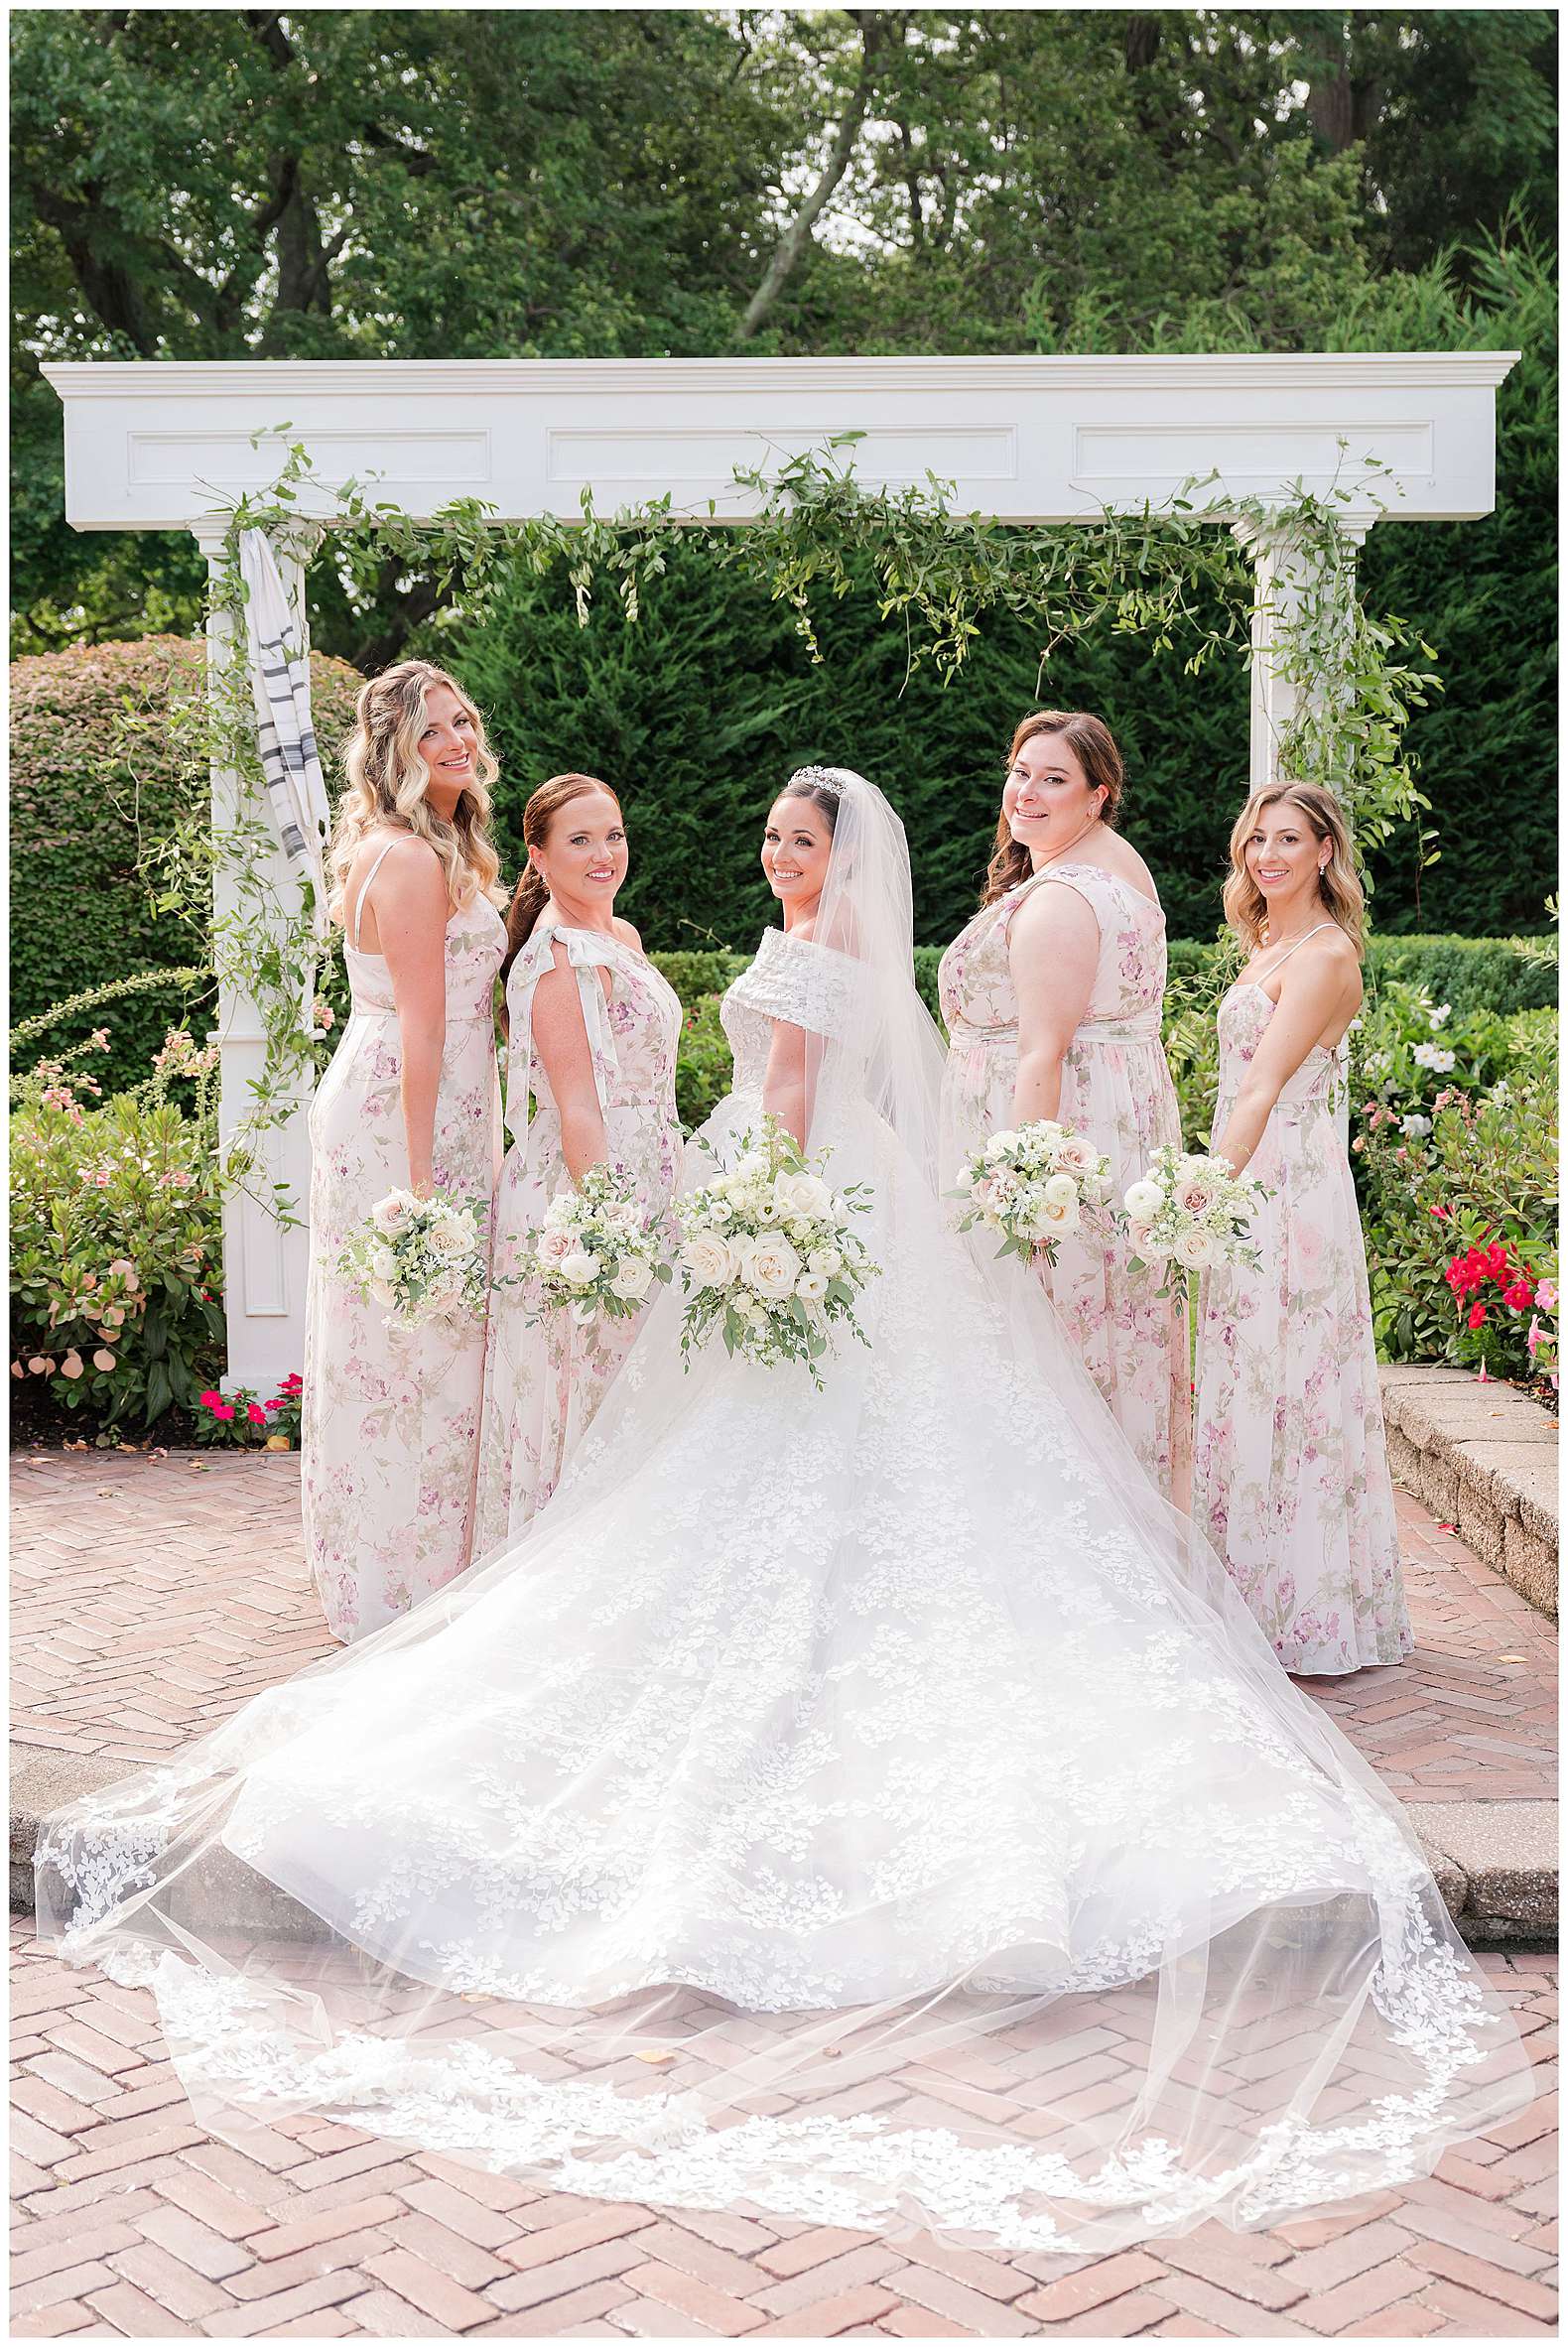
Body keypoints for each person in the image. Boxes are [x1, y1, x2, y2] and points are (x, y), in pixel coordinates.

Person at [38, 767, 1524, 2256]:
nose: (776, 855)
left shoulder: (812, 957)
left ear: (837, 863)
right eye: (768, 837)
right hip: (807, 1197)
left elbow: (799, 1100)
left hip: (798, 1198)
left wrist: (754, 1204)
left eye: (799, 841)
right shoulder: (796, 941)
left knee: (785, 1461)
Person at [303, 661, 505, 1642]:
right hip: (408, 1111)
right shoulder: (415, 861)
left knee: (395, 1339)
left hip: (398, 1090)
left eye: (462, 721)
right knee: (413, 1334)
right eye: (432, 732)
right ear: (393, 752)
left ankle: (394, 1561)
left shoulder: (411, 844)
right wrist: (424, 1185)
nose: (457, 741)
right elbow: (426, 1027)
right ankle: (411, 1575)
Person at [940, 711, 1191, 1501]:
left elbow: (1042, 1054)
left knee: (1042, 1342)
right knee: (1103, 1341)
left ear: (1097, 795)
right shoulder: (1122, 873)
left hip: (1051, 1153)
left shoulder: (1058, 899)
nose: (1028, 792)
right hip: (1113, 1126)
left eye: (1054, 779)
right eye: (1020, 772)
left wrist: (1018, 1194)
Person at [1195, 782, 1413, 1674]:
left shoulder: (1323, 955)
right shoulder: (1265, 943)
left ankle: (1303, 1610)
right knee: (1247, 1379)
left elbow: (1261, 1085)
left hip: (1286, 1188)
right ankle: (1244, 1592)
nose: (1268, 855)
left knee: (1289, 1381)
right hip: (1254, 1171)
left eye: (1289, 839)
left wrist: (1201, 1192)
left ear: (1326, 851)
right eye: (1257, 839)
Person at [474, 774, 682, 1547]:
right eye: (580, 840)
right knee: (592, 1381)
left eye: (614, 835)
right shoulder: (557, 959)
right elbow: (577, 1107)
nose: (604, 854)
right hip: (591, 1188)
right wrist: (605, 1230)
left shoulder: (620, 938)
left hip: (653, 1162)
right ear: (537, 854)